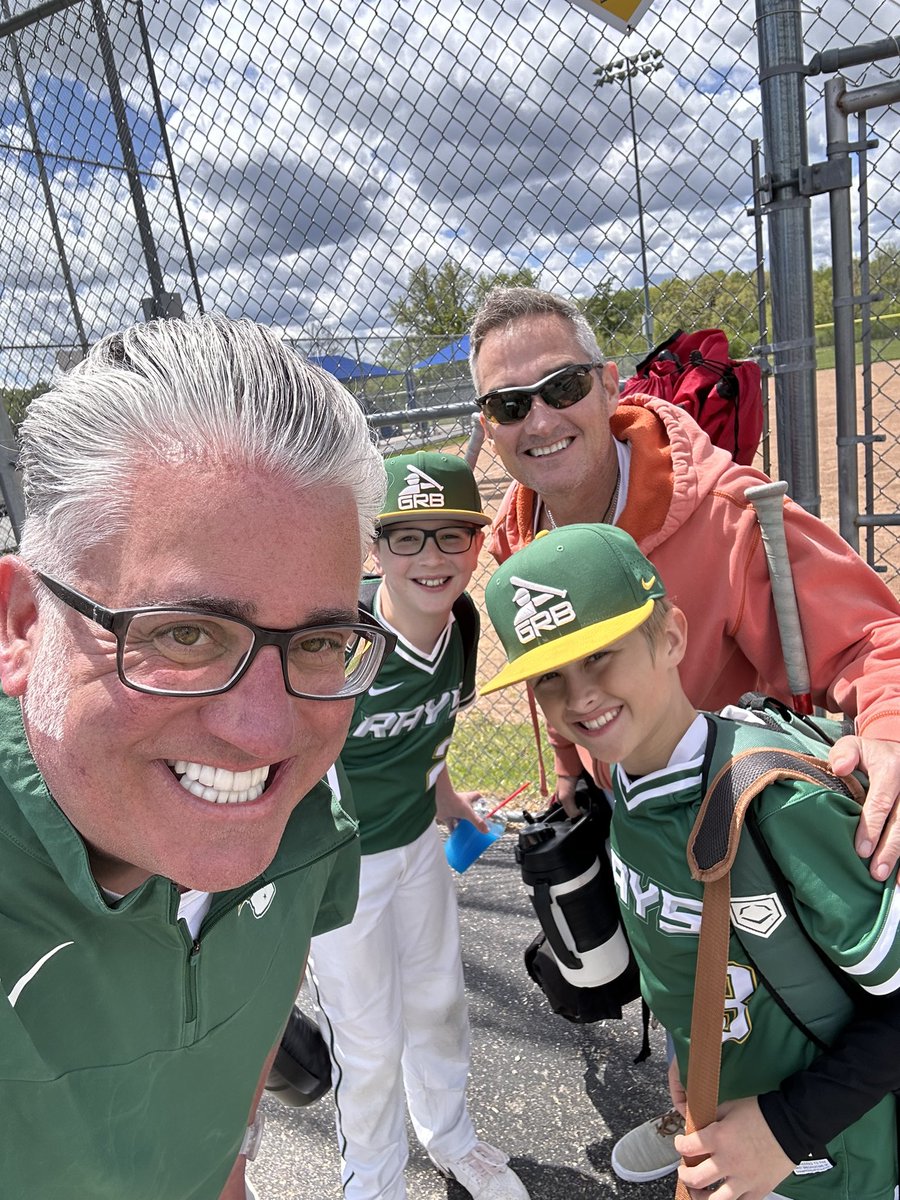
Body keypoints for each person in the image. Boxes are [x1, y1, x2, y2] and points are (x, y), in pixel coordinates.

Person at [467, 285, 900, 1181]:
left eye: (562, 386)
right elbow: (566, 688)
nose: (539, 419)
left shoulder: (725, 510)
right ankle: (701, 1103)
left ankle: (801, 1135)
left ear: (608, 381)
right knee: (686, 994)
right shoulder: (516, 546)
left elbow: (874, 637)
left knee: (813, 1019)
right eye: (510, 405)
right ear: (488, 425)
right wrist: (574, 782)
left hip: (760, 842)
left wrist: (890, 732)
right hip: (649, 822)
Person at [0, 314, 396, 1200]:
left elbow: (246, 1025)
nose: (263, 735)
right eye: (184, 633)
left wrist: (232, 1165)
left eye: (323, 641)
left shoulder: (303, 830)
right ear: (25, 624)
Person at [483, 523, 900, 1200]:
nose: (579, 695)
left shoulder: (775, 802)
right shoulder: (625, 783)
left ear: (672, 635)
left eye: (599, 655)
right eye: (549, 676)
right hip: (736, 1124)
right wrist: (693, 1053)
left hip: (841, 1156)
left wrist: (786, 1129)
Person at [307, 450, 530, 1200]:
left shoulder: (460, 624)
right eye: (407, 537)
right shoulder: (342, 640)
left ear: (478, 541)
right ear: (375, 548)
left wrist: (451, 802)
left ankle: (451, 1137)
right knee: (368, 1041)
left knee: (438, 1001)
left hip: (417, 849)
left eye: (451, 536)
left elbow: (425, 745)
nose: (430, 558)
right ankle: (371, 1183)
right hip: (342, 870)